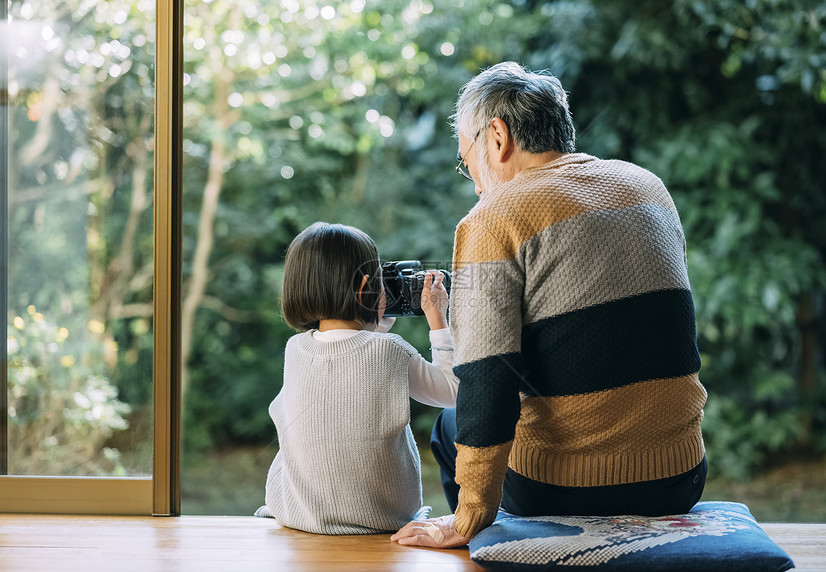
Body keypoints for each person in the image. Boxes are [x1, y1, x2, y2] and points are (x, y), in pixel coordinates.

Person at [391, 62, 707, 548]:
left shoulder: (493, 218)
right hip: (680, 477)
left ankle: (494, 551)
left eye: (467, 161)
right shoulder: (648, 188)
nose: (475, 183)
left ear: (496, 137)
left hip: (566, 488)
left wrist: (470, 515)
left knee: (450, 425)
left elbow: (486, 378)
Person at [261, 222, 458, 534]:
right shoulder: (390, 350)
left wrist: (374, 326)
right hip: (382, 516)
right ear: (367, 286)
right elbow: (452, 393)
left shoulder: (295, 348)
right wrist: (438, 321)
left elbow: (347, 360)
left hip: (302, 514)